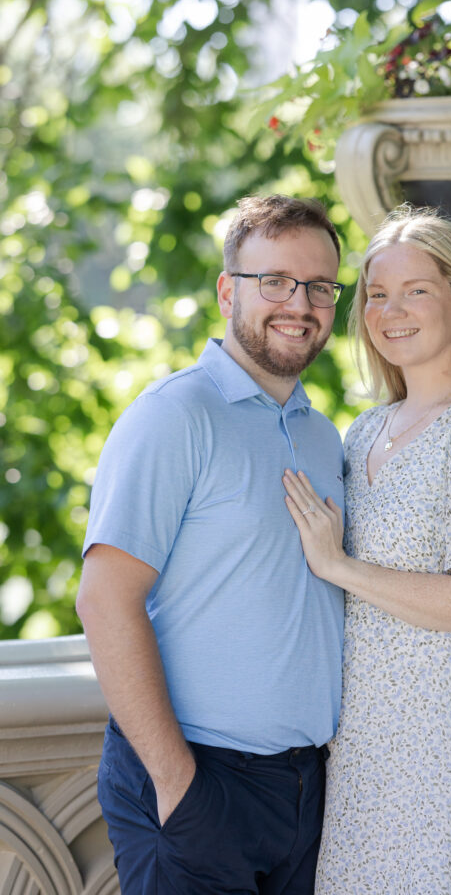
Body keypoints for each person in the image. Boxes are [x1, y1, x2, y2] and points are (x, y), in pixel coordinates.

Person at [76, 195, 349, 895]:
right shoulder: (174, 415)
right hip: (198, 779)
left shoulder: (322, 437)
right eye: (276, 281)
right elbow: (105, 600)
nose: (300, 302)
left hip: (307, 787)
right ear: (229, 290)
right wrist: (177, 782)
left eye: (319, 286)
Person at [282, 209, 451, 895]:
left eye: (415, 291)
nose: (390, 311)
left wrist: (339, 565)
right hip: (365, 739)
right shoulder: (363, 431)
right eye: (375, 293)